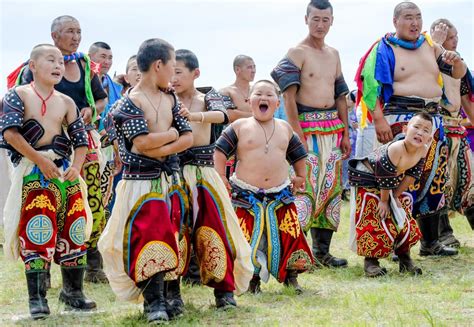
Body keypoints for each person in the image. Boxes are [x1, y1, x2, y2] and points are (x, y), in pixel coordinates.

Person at [355, 2, 467, 256]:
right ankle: (396, 243)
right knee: (397, 180)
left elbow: (456, 73)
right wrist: (379, 119)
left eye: (418, 17)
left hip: (433, 119)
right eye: (408, 17)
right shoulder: (384, 47)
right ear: (395, 21)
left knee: (434, 181)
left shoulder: (431, 46)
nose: (414, 23)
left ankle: (430, 242)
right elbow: (370, 85)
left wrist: (457, 61)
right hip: (399, 118)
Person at [97, 38, 193, 323]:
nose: (174, 73)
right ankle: (154, 302)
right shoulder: (128, 103)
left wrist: (160, 146)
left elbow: (185, 137)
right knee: (149, 237)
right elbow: (140, 141)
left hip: (169, 180)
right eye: (172, 67)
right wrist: (170, 138)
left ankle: (173, 295)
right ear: (158, 65)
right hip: (140, 183)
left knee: (175, 234)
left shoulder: (171, 98)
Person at [1, 44, 96, 319]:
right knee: (37, 231)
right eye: (50, 60)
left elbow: (80, 140)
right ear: (32, 65)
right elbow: (10, 134)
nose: (58, 65)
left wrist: (77, 167)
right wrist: (40, 160)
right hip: (33, 172)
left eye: (60, 61)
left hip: (65, 173)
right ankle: (37, 298)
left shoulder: (67, 101)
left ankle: (73, 293)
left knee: (75, 230)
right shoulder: (17, 95)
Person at [17, 15, 109, 282]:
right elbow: (27, 105)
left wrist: (89, 111)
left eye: (79, 31)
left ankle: (91, 263)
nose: (76, 36)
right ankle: (41, 268)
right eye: (70, 31)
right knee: (44, 205)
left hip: (83, 143)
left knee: (91, 201)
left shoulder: (85, 65)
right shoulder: (35, 66)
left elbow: (100, 101)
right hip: (47, 148)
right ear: (54, 35)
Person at [214, 80, 313, 294]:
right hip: (246, 195)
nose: (264, 98)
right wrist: (221, 176)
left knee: (289, 235)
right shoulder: (239, 127)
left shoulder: (285, 128)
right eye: (259, 94)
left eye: (269, 95)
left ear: (277, 103)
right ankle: (251, 281)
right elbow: (220, 152)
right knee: (248, 239)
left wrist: (301, 175)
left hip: (281, 195)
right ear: (249, 101)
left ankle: (291, 278)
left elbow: (298, 154)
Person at [271, 0, 350, 268]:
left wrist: (347, 133)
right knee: (305, 187)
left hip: (333, 129)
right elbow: (287, 95)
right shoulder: (297, 52)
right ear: (306, 19)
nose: (320, 25)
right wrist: (296, 133)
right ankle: (297, 251)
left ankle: (322, 252)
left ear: (332, 21)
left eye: (325, 20)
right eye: (315, 19)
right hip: (306, 126)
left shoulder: (334, 54)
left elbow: (341, 95)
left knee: (331, 189)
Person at [172, 49, 253, 310]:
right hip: (173, 171)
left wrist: (195, 116)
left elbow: (223, 115)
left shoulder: (207, 97)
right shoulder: (165, 99)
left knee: (215, 230)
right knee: (175, 232)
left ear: (195, 73)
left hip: (203, 171)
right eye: (170, 72)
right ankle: (172, 294)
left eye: (179, 72)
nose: (173, 78)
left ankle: (224, 292)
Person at [349, 113, 433, 277]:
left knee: (403, 215)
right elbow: (383, 175)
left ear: (429, 138)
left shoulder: (423, 151)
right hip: (367, 178)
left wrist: (395, 197)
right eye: (416, 127)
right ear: (405, 129)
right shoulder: (396, 148)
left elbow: (412, 175)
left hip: (388, 183)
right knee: (374, 215)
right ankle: (371, 262)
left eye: (425, 130)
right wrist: (385, 200)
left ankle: (405, 258)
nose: (420, 133)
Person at [430, 19, 474, 247]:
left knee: (470, 181)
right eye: (450, 37)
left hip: (458, 129)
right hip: (438, 127)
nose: (455, 40)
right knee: (441, 183)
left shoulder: (459, 64)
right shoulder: (429, 58)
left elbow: (466, 98)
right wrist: (435, 44)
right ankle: (443, 234)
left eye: (456, 36)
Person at [88, 41, 123, 225]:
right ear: (90, 57)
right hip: (88, 144)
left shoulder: (115, 87)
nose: (107, 61)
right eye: (103, 56)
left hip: (111, 147)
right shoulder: (83, 80)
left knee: (107, 194)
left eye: (110, 57)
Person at [220, 55, 256, 123]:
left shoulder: (257, 90)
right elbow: (229, 114)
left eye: (254, 67)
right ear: (237, 70)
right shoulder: (226, 92)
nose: (253, 70)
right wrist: (258, 115)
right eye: (249, 67)